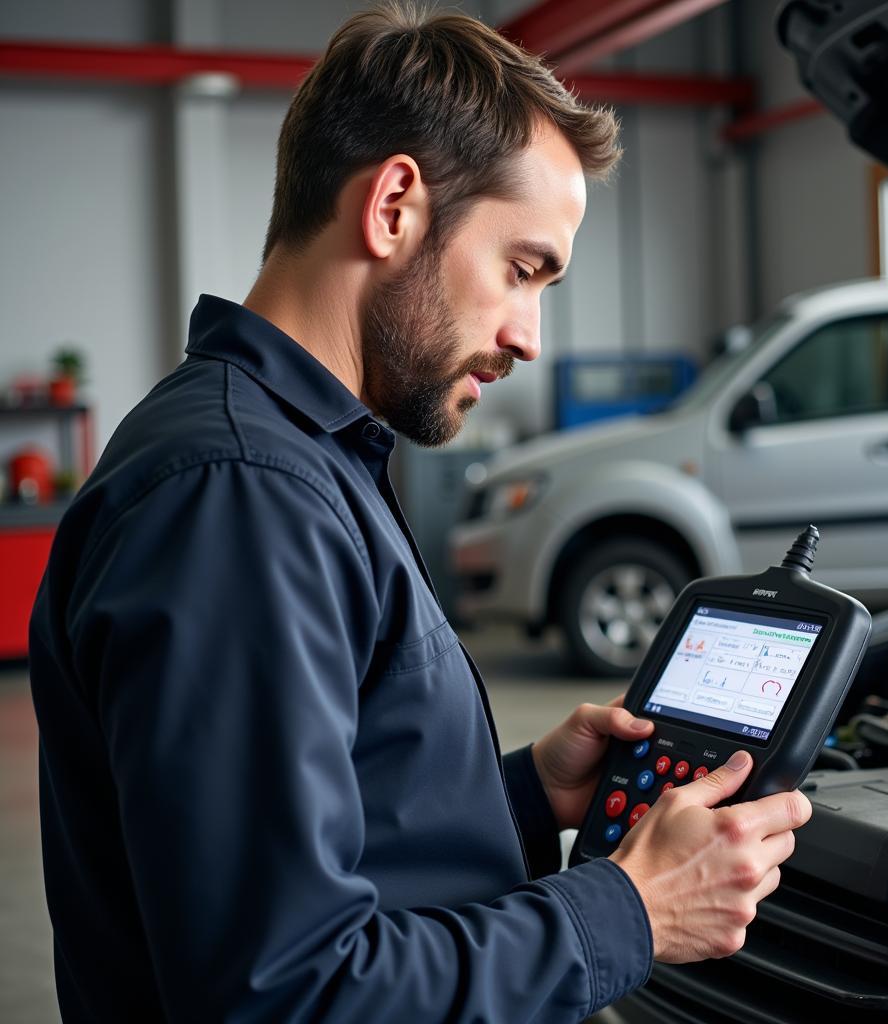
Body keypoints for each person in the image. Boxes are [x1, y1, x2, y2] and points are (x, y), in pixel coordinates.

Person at [29, 5, 811, 1022]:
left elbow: (336, 836)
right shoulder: (240, 496)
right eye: (523, 268)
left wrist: (526, 793)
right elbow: (281, 994)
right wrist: (632, 907)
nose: (528, 336)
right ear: (395, 205)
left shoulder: (300, 458)